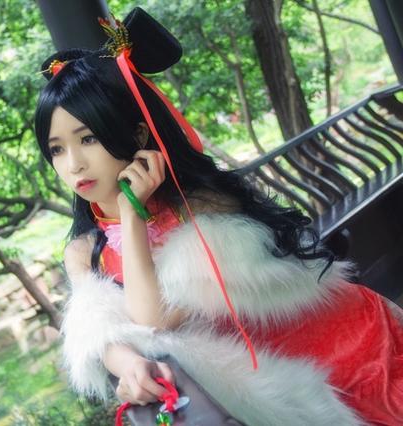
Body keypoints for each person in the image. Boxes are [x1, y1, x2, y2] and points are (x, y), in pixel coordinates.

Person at [34, 7, 403, 425]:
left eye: (88, 138)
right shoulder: (83, 251)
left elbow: (152, 319)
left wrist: (131, 215)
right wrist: (129, 365)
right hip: (267, 389)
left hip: (343, 355)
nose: (74, 165)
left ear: (137, 135)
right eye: (57, 149)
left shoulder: (201, 209)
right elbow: (100, 330)